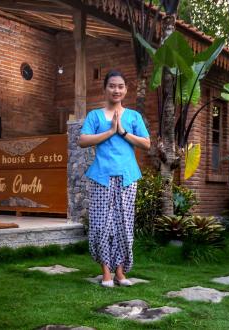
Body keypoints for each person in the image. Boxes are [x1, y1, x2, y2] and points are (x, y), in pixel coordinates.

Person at [78, 70, 150, 288]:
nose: (116, 90)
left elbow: (147, 144)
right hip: (102, 176)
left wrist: (123, 132)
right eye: (112, 85)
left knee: (124, 226)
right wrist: (110, 131)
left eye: (120, 86)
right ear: (105, 89)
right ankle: (106, 272)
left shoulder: (134, 117)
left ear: (126, 90)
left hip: (128, 177)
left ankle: (120, 272)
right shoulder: (95, 116)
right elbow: (82, 141)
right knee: (101, 225)